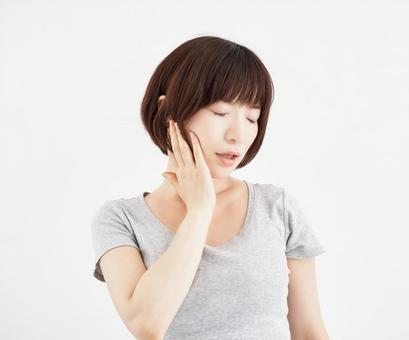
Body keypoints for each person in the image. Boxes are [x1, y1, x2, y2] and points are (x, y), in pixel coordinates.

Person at [91, 35, 329, 340]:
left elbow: (309, 332)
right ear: (167, 112)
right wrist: (199, 210)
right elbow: (147, 324)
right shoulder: (120, 219)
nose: (238, 135)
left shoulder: (276, 207)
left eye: (252, 118)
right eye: (220, 112)